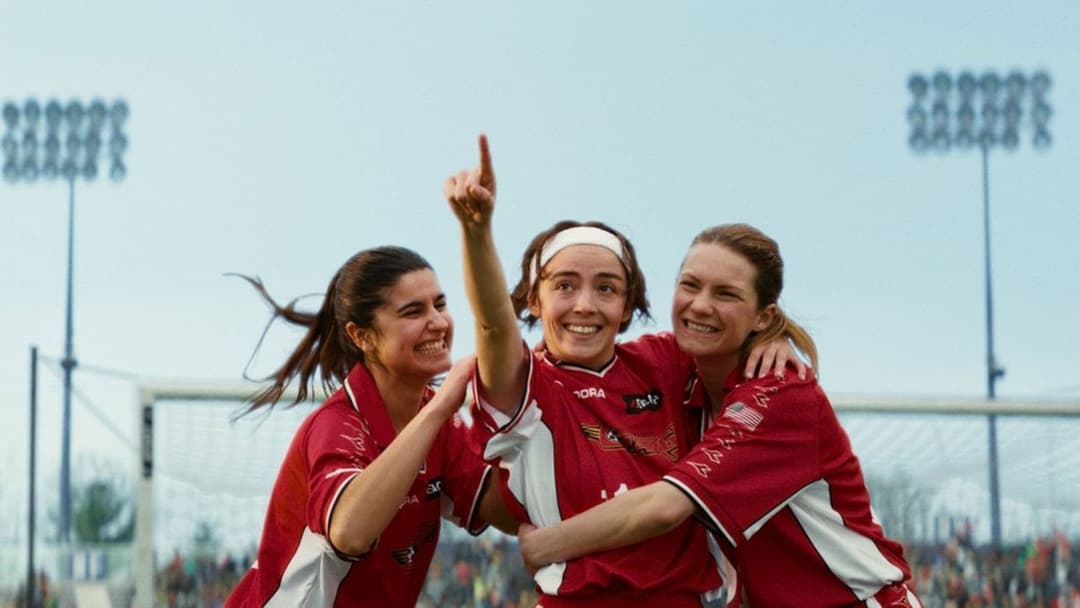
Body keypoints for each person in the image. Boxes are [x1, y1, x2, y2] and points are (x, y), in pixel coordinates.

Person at [444, 136, 802, 606]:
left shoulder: (664, 361)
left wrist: (769, 336)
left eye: (607, 288)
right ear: (533, 300)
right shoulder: (527, 386)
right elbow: (492, 324)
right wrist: (476, 233)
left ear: (628, 304)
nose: (585, 305)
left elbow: (727, 326)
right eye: (564, 286)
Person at [517, 224, 923, 607]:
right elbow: (576, 363)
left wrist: (545, 545)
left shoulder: (782, 395)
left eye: (726, 294)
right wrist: (528, 366)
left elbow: (666, 507)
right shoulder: (674, 369)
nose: (700, 305)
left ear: (763, 316)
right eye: (690, 285)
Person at [224, 246, 513, 607]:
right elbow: (349, 533)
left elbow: (506, 514)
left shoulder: (439, 421)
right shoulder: (338, 424)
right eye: (413, 312)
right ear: (362, 336)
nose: (438, 322)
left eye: (439, 305)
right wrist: (439, 409)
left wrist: (518, 421)